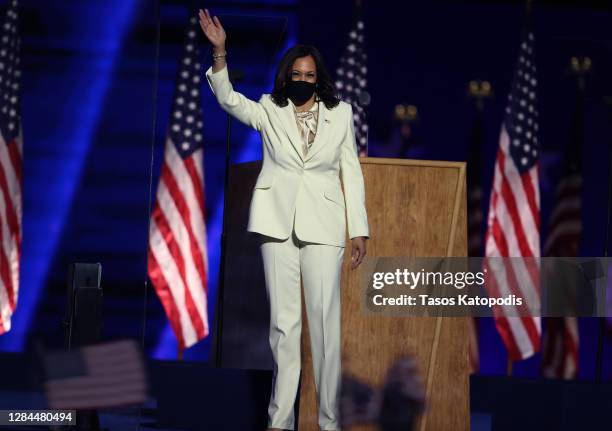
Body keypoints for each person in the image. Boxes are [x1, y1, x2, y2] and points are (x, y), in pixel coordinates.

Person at [199, 8, 370, 431]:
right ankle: (281, 421)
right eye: (296, 73)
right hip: (277, 224)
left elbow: (351, 170)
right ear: (286, 75)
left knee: (326, 329)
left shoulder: (341, 114)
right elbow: (227, 100)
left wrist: (359, 229)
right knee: (283, 327)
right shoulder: (269, 109)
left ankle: (329, 422)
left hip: (327, 226)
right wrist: (220, 54)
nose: (303, 80)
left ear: (319, 79)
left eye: (310, 75)